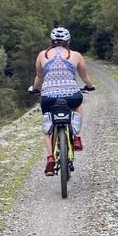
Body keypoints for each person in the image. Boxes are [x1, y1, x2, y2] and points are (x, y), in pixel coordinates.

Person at [30, 27, 95, 175]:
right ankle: (77, 137)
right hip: (71, 95)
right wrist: (90, 87)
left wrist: (34, 89)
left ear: (51, 42)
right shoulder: (76, 55)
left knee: (48, 128)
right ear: (68, 41)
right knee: (78, 104)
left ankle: (50, 158)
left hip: (49, 98)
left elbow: (39, 78)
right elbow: (85, 77)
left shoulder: (42, 55)